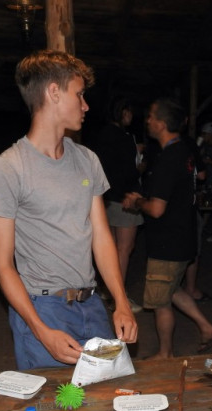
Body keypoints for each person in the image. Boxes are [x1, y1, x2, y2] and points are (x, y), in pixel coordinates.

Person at [0, 49, 137, 369]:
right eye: (79, 94)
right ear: (54, 92)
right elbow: (1, 265)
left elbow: (101, 237)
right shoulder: (8, 168)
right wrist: (41, 331)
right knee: (54, 400)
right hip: (42, 309)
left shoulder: (87, 160)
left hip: (91, 304)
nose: (86, 105)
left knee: (106, 393)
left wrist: (121, 302)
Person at [122, 97, 212, 358]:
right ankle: (207, 328)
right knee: (172, 289)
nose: (148, 121)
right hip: (183, 234)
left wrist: (136, 201)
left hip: (167, 241)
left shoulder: (169, 157)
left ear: (162, 124)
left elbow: (156, 209)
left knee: (160, 301)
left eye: (151, 117)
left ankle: (165, 354)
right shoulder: (184, 150)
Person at [92, 96, 143, 314]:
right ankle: (119, 297)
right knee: (124, 249)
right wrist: (141, 167)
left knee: (110, 248)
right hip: (125, 199)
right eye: (128, 111)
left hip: (105, 198)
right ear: (121, 112)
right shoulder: (124, 137)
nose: (131, 115)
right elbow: (128, 171)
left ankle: (107, 289)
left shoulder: (101, 135)